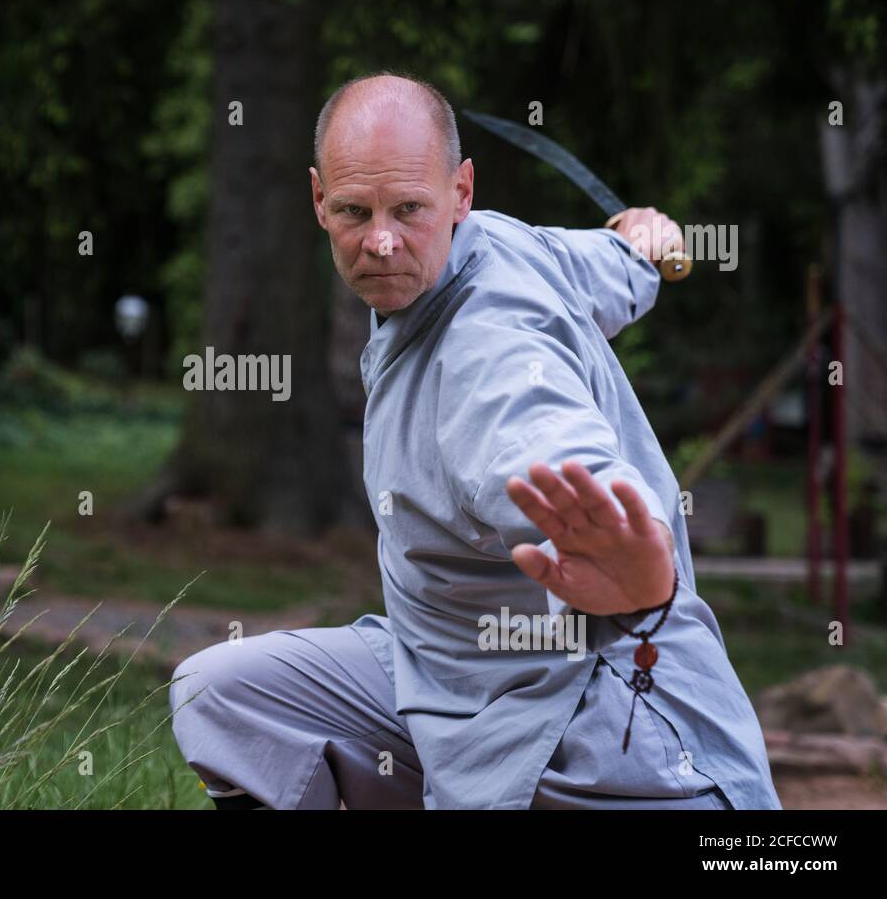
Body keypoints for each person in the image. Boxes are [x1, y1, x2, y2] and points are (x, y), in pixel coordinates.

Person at [169, 71, 781, 810]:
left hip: (600, 722)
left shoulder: (487, 357)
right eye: (354, 211)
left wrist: (635, 561)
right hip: (442, 667)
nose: (382, 240)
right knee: (225, 694)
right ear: (317, 200)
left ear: (460, 192)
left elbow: (541, 433)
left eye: (409, 209)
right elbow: (607, 267)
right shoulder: (502, 243)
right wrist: (645, 245)